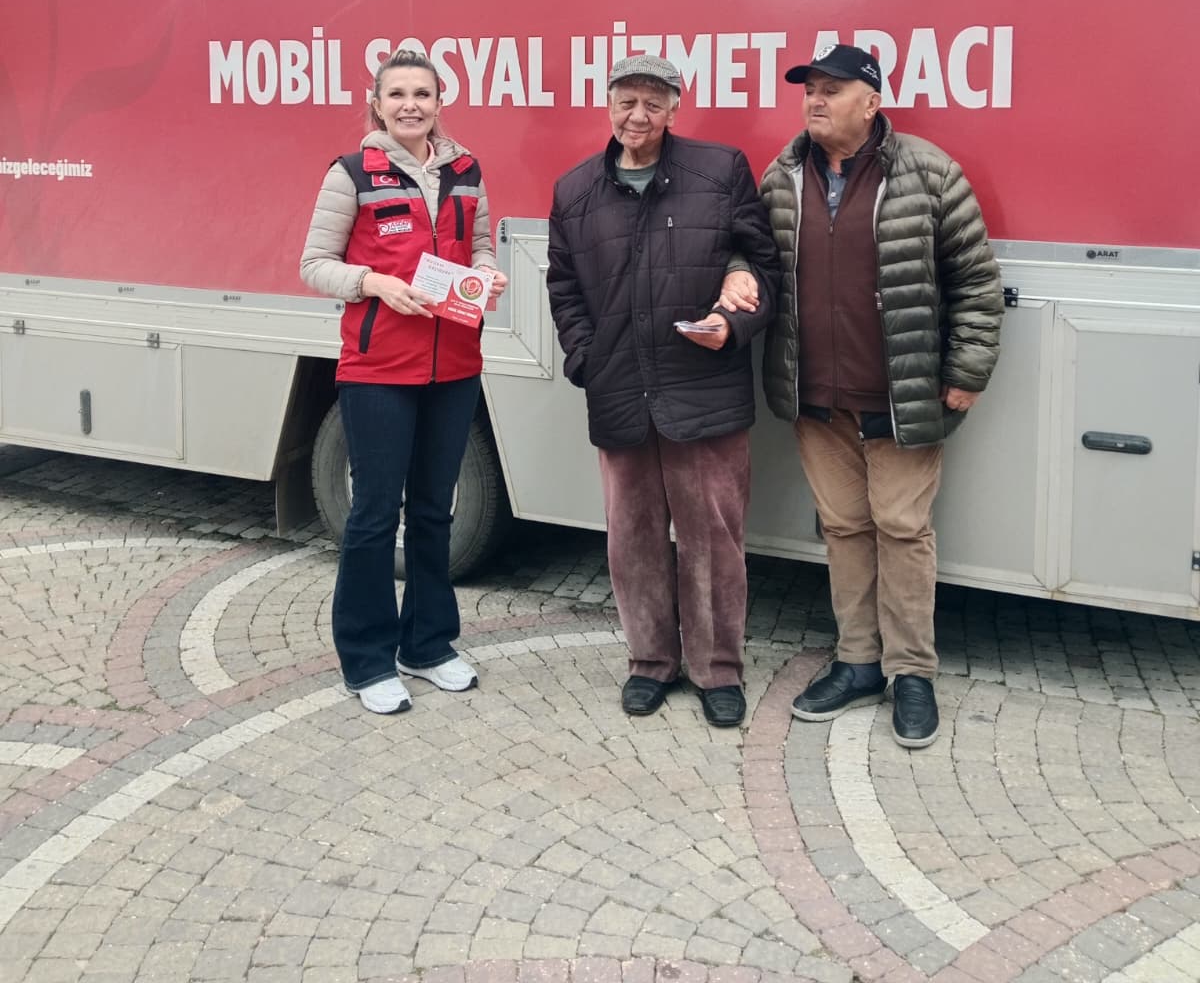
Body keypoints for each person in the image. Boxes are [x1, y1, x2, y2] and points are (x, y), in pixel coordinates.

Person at [760, 44, 1002, 748]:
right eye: (809, 89)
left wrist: (967, 370)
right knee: (843, 529)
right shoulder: (782, 175)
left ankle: (912, 673)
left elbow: (976, 282)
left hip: (900, 395)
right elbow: (752, 259)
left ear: (871, 103)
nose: (815, 100)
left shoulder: (928, 172)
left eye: (831, 90)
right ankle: (858, 662)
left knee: (901, 529)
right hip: (816, 398)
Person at [547, 54, 781, 727]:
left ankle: (717, 671)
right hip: (620, 390)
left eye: (653, 103)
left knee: (713, 541)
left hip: (702, 388)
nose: (638, 116)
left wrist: (732, 323)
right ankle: (650, 663)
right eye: (627, 101)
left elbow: (763, 266)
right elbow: (564, 287)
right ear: (608, 105)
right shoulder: (574, 191)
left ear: (676, 109)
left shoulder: (720, 171)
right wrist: (587, 359)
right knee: (634, 539)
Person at [300, 47, 507, 714]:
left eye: (422, 94)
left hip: (455, 365)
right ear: (377, 104)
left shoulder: (467, 170)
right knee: (373, 515)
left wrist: (487, 273)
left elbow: (479, 245)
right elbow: (314, 264)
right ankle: (366, 661)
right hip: (379, 370)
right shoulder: (351, 174)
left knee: (433, 511)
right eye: (398, 94)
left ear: (440, 102)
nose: (410, 105)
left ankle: (428, 645)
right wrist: (375, 283)